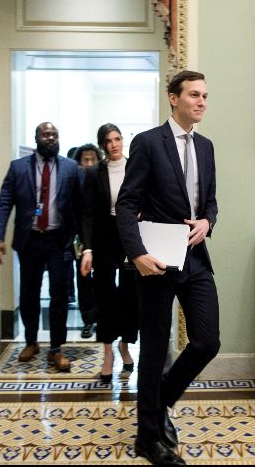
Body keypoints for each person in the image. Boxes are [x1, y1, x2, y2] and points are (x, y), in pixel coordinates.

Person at [116, 70, 220, 466]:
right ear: (173, 99)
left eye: (205, 96)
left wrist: (208, 221)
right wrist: (137, 254)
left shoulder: (207, 147)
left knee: (207, 341)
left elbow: (210, 202)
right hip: (156, 262)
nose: (202, 102)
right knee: (155, 349)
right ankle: (148, 439)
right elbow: (126, 204)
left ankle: (158, 405)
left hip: (196, 259)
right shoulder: (147, 143)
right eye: (194, 95)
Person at [0, 122, 80, 370]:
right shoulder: (18, 168)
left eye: (54, 134)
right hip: (30, 240)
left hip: (59, 241)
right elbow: (4, 202)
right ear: (36, 138)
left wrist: (83, 244)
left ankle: (56, 348)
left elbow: (81, 208)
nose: (51, 138)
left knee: (59, 295)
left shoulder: (71, 168)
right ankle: (31, 341)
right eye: (46, 134)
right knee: (29, 293)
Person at [79, 124, 139, 384]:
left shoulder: (136, 167)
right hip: (104, 239)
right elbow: (88, 212)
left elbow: (147, 198)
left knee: (130, 294)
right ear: (102, 145)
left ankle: (125, 345)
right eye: (109, 140)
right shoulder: (94, 173)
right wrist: (88, 248)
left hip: (130, 237)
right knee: (105, 295)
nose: (115, 144)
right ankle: (107, 354)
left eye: (118, 139)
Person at [71, 143, 103, 339]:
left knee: (101, 280)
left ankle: (102, 318)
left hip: (101, 238)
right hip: (80, 239)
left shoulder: (102, 179)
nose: (90, 163)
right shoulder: (73, 180)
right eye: (86, 160)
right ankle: (88, 320)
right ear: (79, 162)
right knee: (83, 281)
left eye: (93, 159)